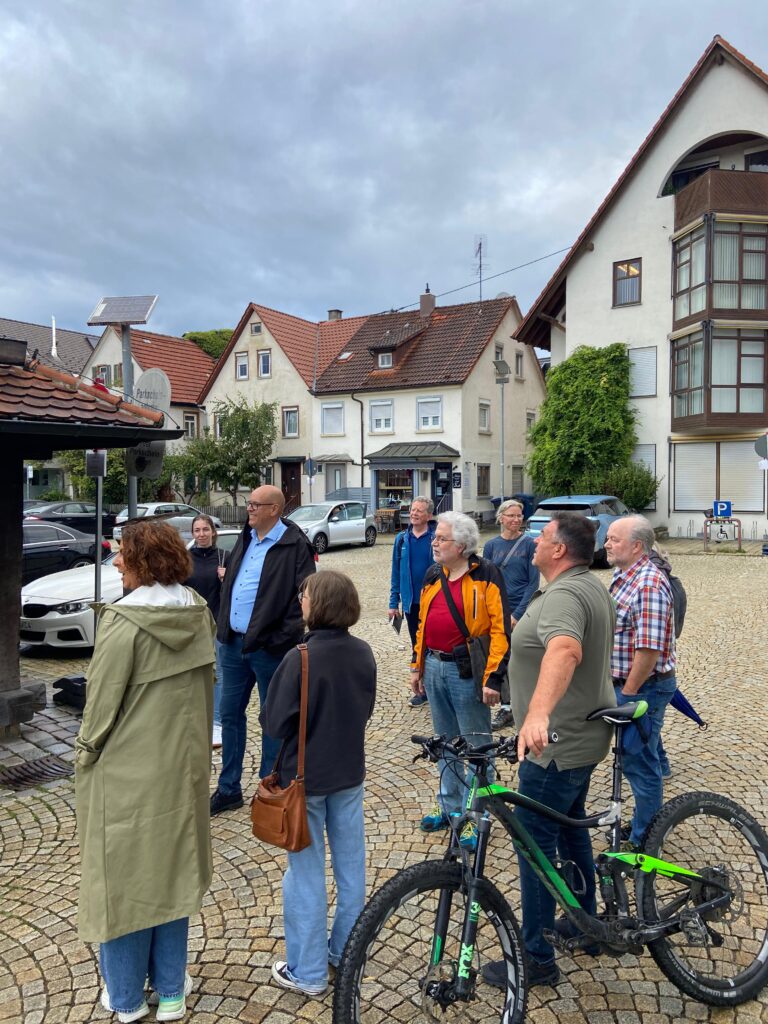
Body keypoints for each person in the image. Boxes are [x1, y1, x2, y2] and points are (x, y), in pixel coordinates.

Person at [75, 518, 216, 1023]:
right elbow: (206, 692)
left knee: (124, 883)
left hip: (128, 773)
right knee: (172, 874)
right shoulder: (197, 611)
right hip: (183, 768)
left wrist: (85, 755)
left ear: (141, 562)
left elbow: (100, 706)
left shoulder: (123, 620)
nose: (114, 563)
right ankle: (173, 993)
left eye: (120, 555)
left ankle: (128, 999)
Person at [482, 512, 616, 991]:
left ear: (559, 550)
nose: (534, 541)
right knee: (569, 829)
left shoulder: (564, 593)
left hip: (554, 745)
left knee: (534, 846)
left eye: (543, 536)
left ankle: (535, 957)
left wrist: (535, 714)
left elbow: (564, 650)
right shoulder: (587, 585)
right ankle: (585, 924)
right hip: (580, 738)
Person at [265, 570, 376, 998]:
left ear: (320, 603)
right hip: (348, 773)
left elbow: (275, 722)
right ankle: (345, 954)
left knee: (305, 876)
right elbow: (363, 709)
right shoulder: (364, 652)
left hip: (305, 780)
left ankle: (308, 972)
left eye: (306, 596)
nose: (301, 602)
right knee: (352, 875)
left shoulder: (301, 657)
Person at [210, 485, 316, 816]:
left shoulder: (294, 543)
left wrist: (278, 637)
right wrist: (224, 626)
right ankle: (229, 788)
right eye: (249, 504)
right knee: (229, 715)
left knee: (273, 719)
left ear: (274, 509)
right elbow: (231, 584)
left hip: (270, 648)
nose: (249, 509)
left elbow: (304, 598)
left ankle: (268, 789)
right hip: (232, 645)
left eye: (255, 505)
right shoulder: (246, 536)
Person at [410, 511, 510, 851]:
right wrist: (416, 667)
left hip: (468, 672)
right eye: (436, 537)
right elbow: (422, 624)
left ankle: (476, 817)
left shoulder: (487, 576)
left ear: (463, 545)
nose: (435, 543)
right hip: (435, 667)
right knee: (445, 743)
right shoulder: (432, 575)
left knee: (477, 747)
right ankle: (449, 805)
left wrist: (494, 677)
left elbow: (501, 629)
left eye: (442, 538)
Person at [604, 514, 677, 852]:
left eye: (614, 538)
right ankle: (643, 825)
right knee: (635, 757)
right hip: (630, 684)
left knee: (641, 762)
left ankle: (646, 838)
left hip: (643, 687)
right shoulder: (624, 575)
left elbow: (648, 651)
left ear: (636, 546)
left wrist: (628, 696)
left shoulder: (648, 582)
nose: (606, 543)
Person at [482, 499, 539, 730]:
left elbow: (533, 583)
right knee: (499, 658)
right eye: (512, 516)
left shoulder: (528, 545)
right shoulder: (491, 546)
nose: (517, 520)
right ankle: (506, 706)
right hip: (497, 611)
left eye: (520, 516)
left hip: (520, 612)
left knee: (517, 660)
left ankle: (519, 705)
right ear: (501, 518)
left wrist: (517, 614)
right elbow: (485, 581)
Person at [388, 495, 437, 707]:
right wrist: (393, 602)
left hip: (434, 602)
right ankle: (423, 689)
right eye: (412, 509)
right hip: (411, 603)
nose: (414, 513)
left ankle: (435, 686)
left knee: (433, 644)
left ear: (429, 515)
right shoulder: (401, 540)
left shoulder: (436, 538)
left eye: (419, 510)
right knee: (417, 644)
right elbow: (395, 572)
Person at [186, 513, 228, 748]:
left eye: (205, 530)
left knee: (218, 674)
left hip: (217, 624)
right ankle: (194, 719)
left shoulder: (225, 558)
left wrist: (227, 577)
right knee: (193, 672)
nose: (201, 534)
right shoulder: (185, 559)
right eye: (197, 530)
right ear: (192, 534)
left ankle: (217, 724)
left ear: (213, 532)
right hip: (192, 625)